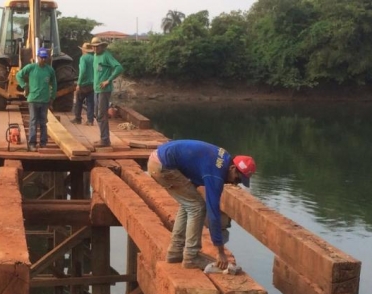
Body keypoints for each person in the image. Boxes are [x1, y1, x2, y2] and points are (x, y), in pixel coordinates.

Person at [147, 139, 256, 269]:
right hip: (164, 166)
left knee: (189, 203)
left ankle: (175, 252)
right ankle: (191, 257)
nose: (234, 184)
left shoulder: (223, 159)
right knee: (197, 207)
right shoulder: (216, 174)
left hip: (159, 160)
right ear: (233, 168)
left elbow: (195, 169)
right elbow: (213, 213)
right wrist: (220, 252)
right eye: (237, 179)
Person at [16, 47, 57, 151]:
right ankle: (32, 143)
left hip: (44, 100)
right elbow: (19, 75)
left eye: (45, 58)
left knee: (43, 122)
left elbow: (54, 84)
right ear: (37, 57)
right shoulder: (31, 68)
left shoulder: (49, 70)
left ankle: (43, 143)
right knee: (33, 121)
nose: (43, 59)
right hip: (33, 99)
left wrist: (52, 97)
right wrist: (24, 85)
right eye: (41, 57)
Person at [91, 36, 123, 147]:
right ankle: (103, 138)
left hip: (104, 90)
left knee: (101, 114)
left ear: (101, 46)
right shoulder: (95, 56)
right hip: (96, 89)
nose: (95, 49)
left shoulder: (106, 55)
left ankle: (105, 140)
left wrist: (108, 80)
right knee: (97, 114)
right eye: (93, 47)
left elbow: (119, 67)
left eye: (97, 47)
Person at [71, 42, 95, 126]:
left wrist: (79, 83)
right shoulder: (94, 58)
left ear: (84, 50)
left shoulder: (83, 58)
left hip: (84, 84)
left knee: (78, 101)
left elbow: (83, 71)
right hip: (92, 84)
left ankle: (78, 118)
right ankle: (90, 120)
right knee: (90, 103)